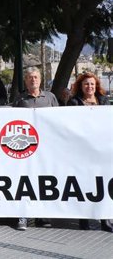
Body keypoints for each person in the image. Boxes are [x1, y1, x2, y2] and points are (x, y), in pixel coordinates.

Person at [66, 72, 112, 232]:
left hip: (102, 150)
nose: (89, 87)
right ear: (81, 86)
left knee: (103, 183)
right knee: (84, 184)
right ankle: (83, 220)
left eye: (92, 84)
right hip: (82, 151)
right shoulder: (74, 102)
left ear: (96, 85)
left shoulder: (104, 101)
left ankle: (105, 219)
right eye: (86, 84)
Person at [12, 67, 56, 231]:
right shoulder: (20, 99)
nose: (33, 80)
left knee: (43, 180)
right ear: (26, 80)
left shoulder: (50, 97)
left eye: (36, 77)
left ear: (41, 79)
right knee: (24, 180)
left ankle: (42, 216)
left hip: (46, 148)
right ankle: (22, 215)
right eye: (30, 77)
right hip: (25, 148)